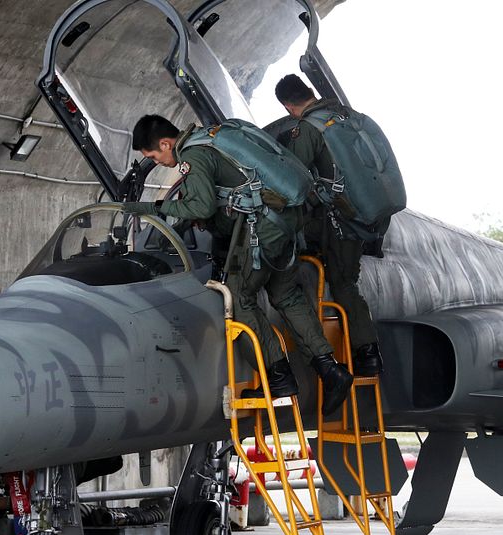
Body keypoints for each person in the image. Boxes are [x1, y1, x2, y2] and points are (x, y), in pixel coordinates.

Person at [123, 114, 353, 416]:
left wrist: (154, 207)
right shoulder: (214, 137)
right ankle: (331, 370)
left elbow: (201, 205)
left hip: (264, 229)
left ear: (165, 144)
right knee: (287, 295)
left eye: (153, 155)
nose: (158, 161)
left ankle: (279, 377)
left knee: (238, 298)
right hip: (286, 222)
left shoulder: (193, 155)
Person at [274, 74, 383, 376]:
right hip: (365, 218)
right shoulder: (349, 118)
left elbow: (292, 182)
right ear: (309, 91)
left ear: (288, 106)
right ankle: (369, 354)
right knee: (346, 279)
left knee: (343, 283)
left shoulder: (308, 129)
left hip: (338, 221)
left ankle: (367, 355)